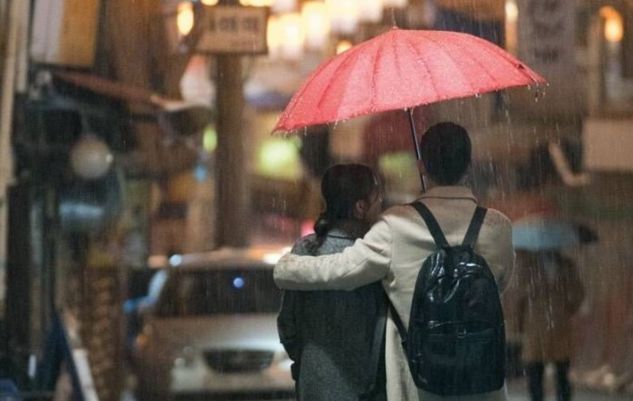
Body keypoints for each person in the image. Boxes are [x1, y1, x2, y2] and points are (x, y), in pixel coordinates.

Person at [274, 122, 514, 401]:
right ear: (469, 165)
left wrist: (286, 269)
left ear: (422, 166)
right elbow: (499, 285)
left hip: (420, 383)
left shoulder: (396, 225)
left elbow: (341, 270)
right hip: (481, 378)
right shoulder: (498, 227)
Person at [278, 163, 386, 401]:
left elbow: (288, 324)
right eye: (377, 198)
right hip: (367, 387)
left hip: (315, 384)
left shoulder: (305, 249)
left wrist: (310, 361)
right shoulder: (375, 254)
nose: (381, 205)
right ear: (360, 207)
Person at [505, 250, 585, 401]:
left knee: (561, 372)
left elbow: (578, 294)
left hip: (558, 326)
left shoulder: (567, 266)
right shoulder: (528, 267)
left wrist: (565, 302)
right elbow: (518, 297)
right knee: (535, 372)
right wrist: (517, 326)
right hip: (536, 327)